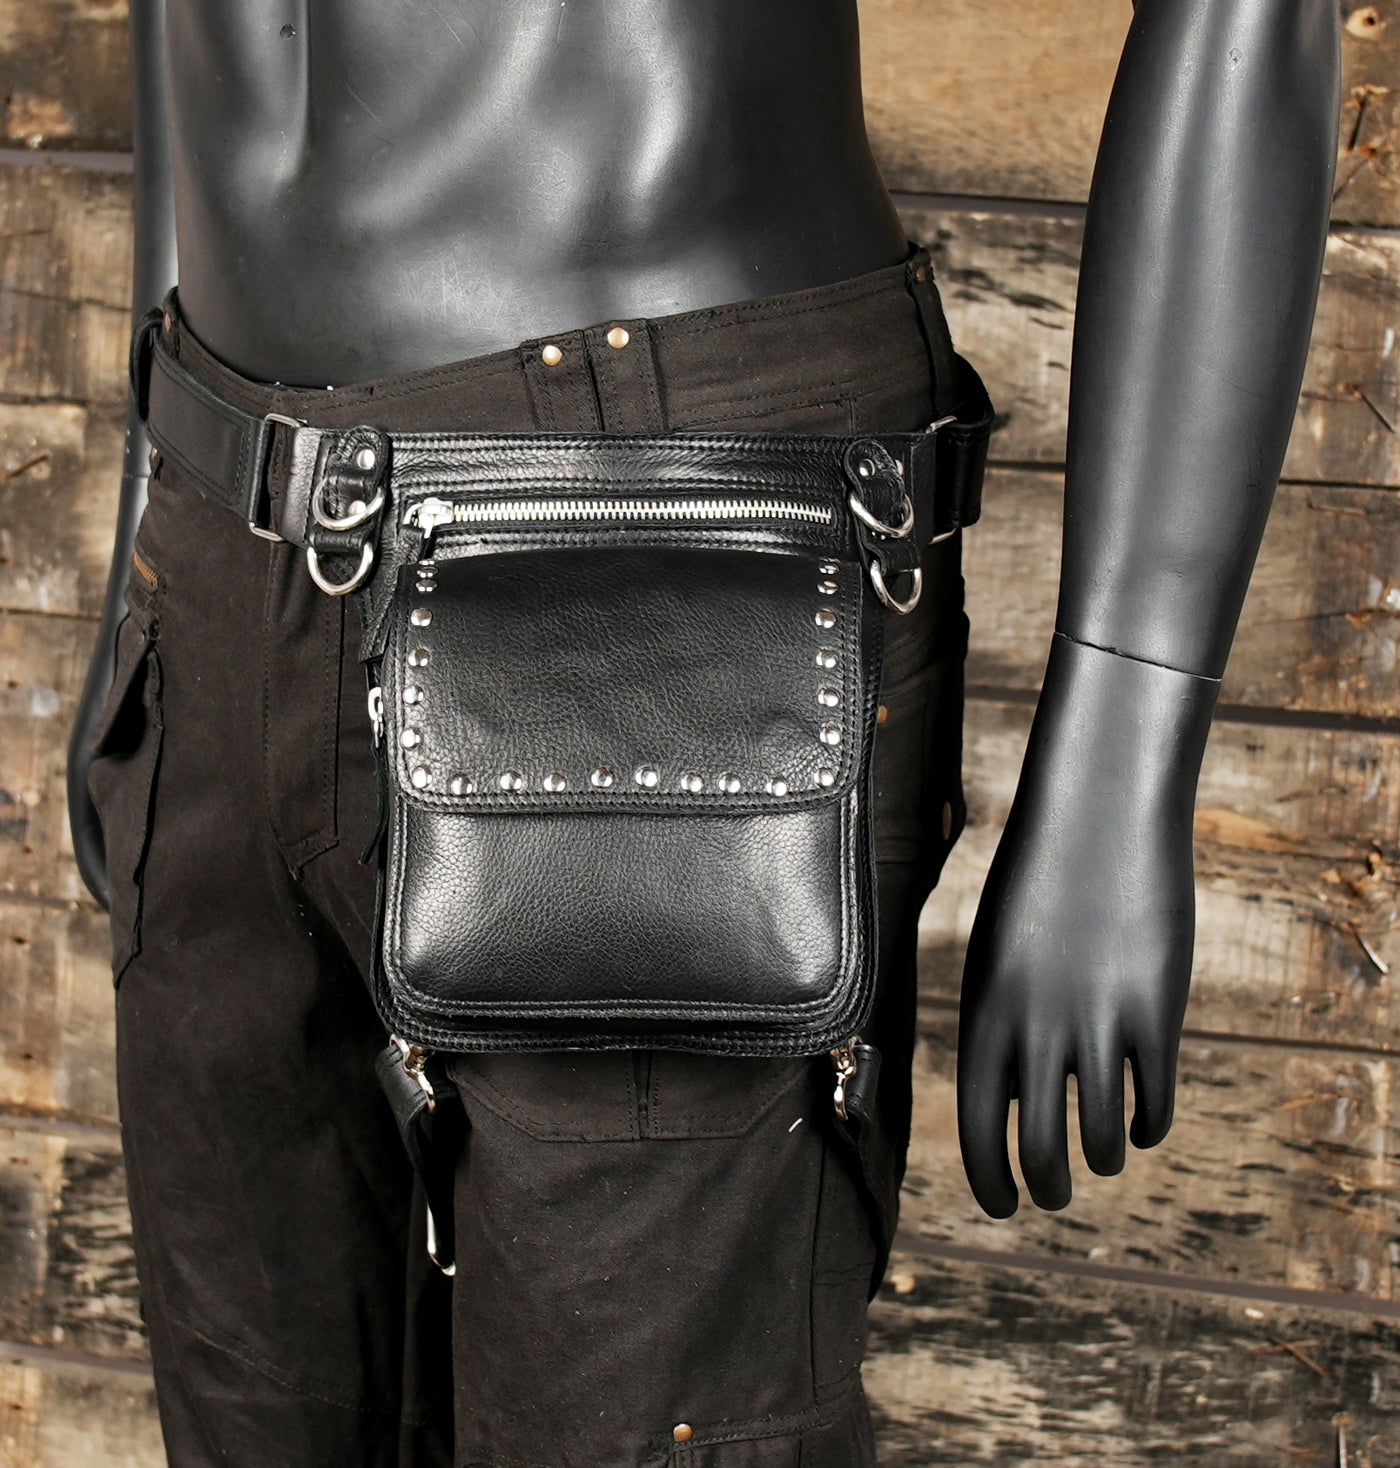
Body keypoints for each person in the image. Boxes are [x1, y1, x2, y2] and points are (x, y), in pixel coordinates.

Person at [66, 2, 1341, 1463]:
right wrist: (149, 544)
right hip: (217, 527)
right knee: (254, 1411)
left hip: (651, 521)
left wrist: (1123, 739)